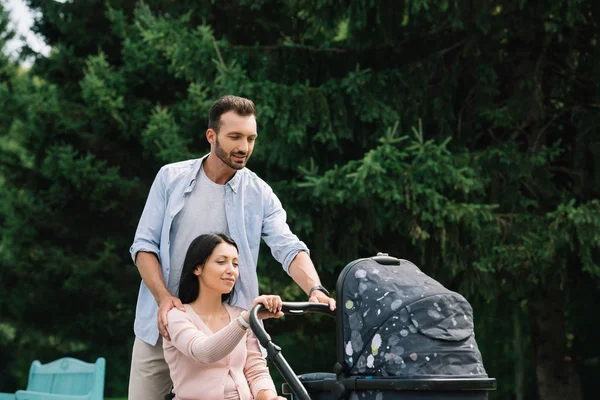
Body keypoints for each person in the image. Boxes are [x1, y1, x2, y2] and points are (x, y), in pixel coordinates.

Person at [128, 95, 336, 400]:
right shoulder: (170, 178)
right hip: (161, 324)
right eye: (235, 137)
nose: (244, 147)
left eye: (251, 138)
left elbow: (288, 246)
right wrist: (163, 298)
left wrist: (315, 288)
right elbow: (144, 246)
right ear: (212, 136)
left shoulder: (259, 193)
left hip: (228, 331)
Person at [164, 233, 285, 400]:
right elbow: (204, 352)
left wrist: (270, 397)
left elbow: (256, 370)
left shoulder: (238, 314)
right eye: (221, 262)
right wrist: (245, 321)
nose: (231, 271)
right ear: (197, 268)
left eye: (235, 264)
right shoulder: (176, 316)